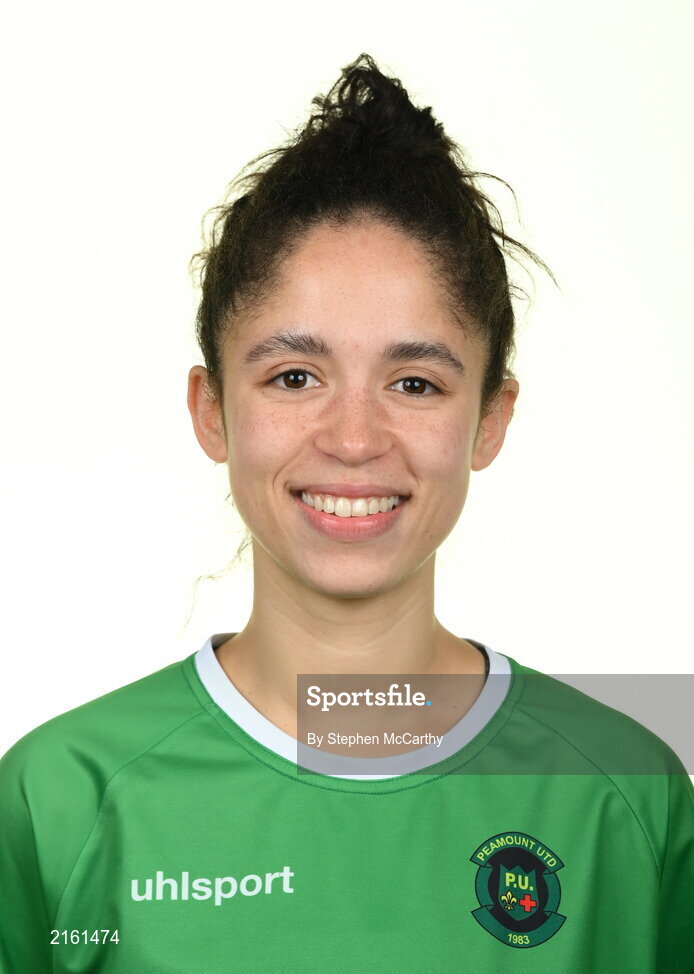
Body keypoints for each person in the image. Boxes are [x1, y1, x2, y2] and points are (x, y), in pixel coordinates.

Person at [0, 52, 691, 974]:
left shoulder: (628, 796)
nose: (355, 439)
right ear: (213, 410)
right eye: (295, 376)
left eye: (414, 381)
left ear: (490, 419)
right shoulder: (60, 799)